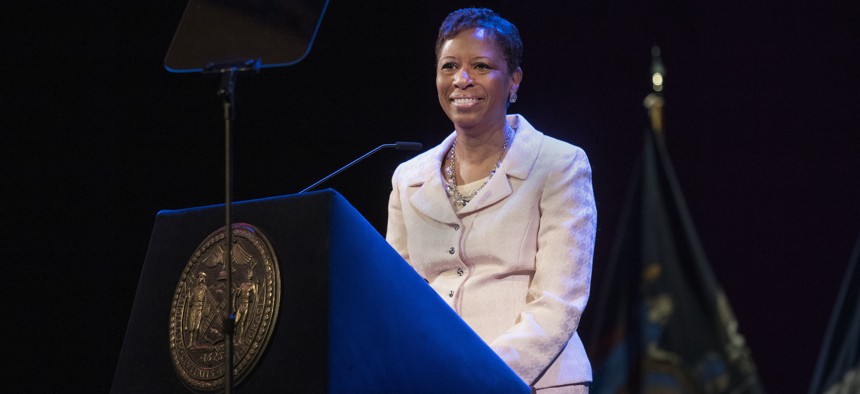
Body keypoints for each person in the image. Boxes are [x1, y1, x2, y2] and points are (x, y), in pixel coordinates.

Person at [386, 8, 597, 393]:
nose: (462, 80)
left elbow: (559, 302)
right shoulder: (408, 179)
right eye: (449, 66)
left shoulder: (559, 165)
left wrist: (479, 376)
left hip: (534, 382)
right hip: (433, 381)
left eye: (480, 67)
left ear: (514, 81)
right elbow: (398, 298)